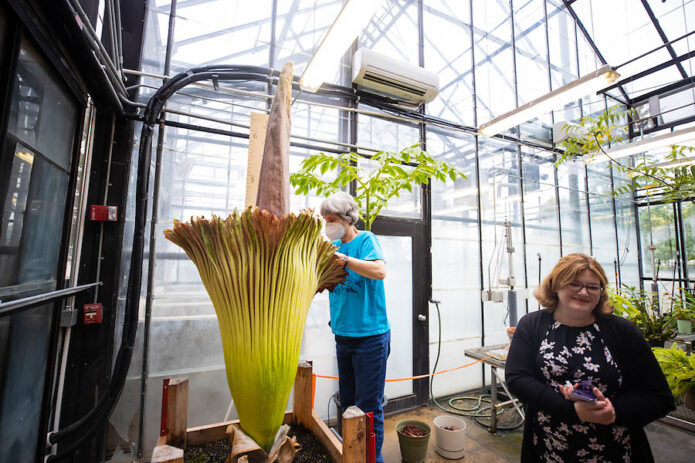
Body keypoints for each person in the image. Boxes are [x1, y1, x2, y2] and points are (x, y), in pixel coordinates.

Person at [506, 253, 675, 462]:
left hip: (614, 452)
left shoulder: (622, 331)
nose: (583, 292)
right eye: (574, 284)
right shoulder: (532, 325)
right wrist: (573, 410)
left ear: (601, 292)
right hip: (548, 450)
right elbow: (517, 378)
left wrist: (613, 410)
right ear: (555, 285)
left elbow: (660, 397)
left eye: (593, 287)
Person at [320, 192, 389, 463]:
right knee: (347, 402)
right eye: (325, 220)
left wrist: (345, 260)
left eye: (333, 219)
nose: (328, 224)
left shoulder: (365, 240)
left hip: (370, 338)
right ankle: (353, 455)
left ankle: (373, 459)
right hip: (343, 336)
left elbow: (380, 271)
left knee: (368, 406)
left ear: (348, 219)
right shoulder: (332, 245)